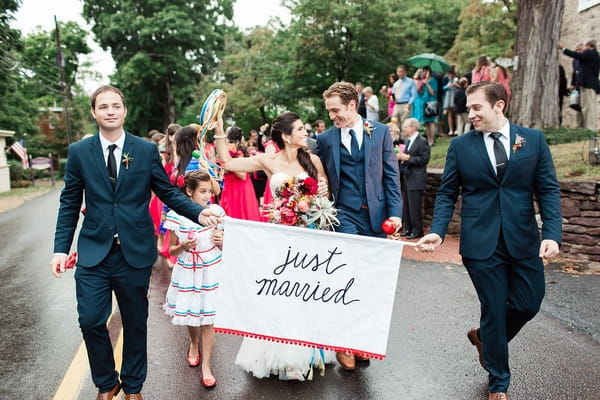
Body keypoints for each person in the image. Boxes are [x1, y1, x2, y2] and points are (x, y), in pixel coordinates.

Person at [50, 85, 220, 400]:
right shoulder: (79, 152)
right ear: (94, 112)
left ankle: (132, 386)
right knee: (89, 319)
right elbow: (69, 203)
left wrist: (200, 212)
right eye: (103, 106)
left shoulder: (143, 150)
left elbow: (167, 192)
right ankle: (106, 382)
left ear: (124, 110)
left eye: (116, 105)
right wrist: (61, 249)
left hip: (134, 251)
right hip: (94, 252)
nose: (110, 111)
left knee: (135, 322)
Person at [416, 82, 562, 400]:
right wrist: (439, 230)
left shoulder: (532, 140)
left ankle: (484, 337)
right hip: (481, 243)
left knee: (528, 303)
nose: (471, 114)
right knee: (494, 308)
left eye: (476, 107)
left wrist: (552, 234)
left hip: (524, 240)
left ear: (499, 106)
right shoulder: (461, 146)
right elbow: (446, 193)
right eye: (469, 108)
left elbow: (548, 189)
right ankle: (499, 383)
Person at [213, 111, 333, 380]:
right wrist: (220, 128)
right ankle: (284, 356)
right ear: (286, 136)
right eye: (301, 129)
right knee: (282, 296)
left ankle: (307, 352)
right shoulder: (268, 160)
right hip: (281, 240)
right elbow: (228, 163)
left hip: (310, 238)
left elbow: (326, 198)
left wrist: (324, 193)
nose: (306, 133)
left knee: (305, 295)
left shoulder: (313, 160)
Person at [317, 81, 402, 371]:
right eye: (329, 111)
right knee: (347, 276)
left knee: (370, 281)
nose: (332, 116)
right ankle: (344, 343)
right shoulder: (326, 139)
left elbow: (391, 175)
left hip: (377, 217)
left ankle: (362, 342)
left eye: (336, 110)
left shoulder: (380, 133)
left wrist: (396, 213)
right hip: (345, 214)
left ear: (353, 105)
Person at [163, 169, 224, 389]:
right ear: (189, 191)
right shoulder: (176, 216)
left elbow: (228, 243)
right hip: (188, 270)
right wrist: (183, 246)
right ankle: (193, 342)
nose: (208, 196)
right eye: (203, 191)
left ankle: (206, 366)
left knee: (208, 319)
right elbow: (171, 250)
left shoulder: (216, 212)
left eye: (210, 191)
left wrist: (222, 241)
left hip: (211, 270)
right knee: (191, 316)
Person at [396, 118, 430, 239]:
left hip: (416, 179)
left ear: (413, 127)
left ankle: (417, 230)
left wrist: (407, 157)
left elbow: (424, 159)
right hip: (406, 177)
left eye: (406, 127)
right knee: (406, 206)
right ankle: (407, 228)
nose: (404, 129)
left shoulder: (422, 141)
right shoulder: (406, 141)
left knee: (415, 206)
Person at [218, 126, 262, 221]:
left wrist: (230, 164)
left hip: (239, 185)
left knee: (241, 211)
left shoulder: (237, 150)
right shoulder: (226, 148)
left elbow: (242, 175)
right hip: (230, 183)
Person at [559, 40, 600, 131]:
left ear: (589, 46)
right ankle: (582, 127)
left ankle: (590, 128)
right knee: (583, 107)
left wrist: (563, 49)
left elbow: (578, 55)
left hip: (588, 85)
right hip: (587, 85)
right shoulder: (592, 56)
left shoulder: (590, 53)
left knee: (587, 108)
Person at [414, 66, 439, 146]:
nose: (423, 73)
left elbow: (433, 93)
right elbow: (420, 92)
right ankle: (429, 140)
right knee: (427, 123)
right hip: (424, 103)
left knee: (431, 122)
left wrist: (427, 84)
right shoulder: (423, 81)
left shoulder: (433, 81)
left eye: (425, 71)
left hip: (431, 103)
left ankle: (432, 139)